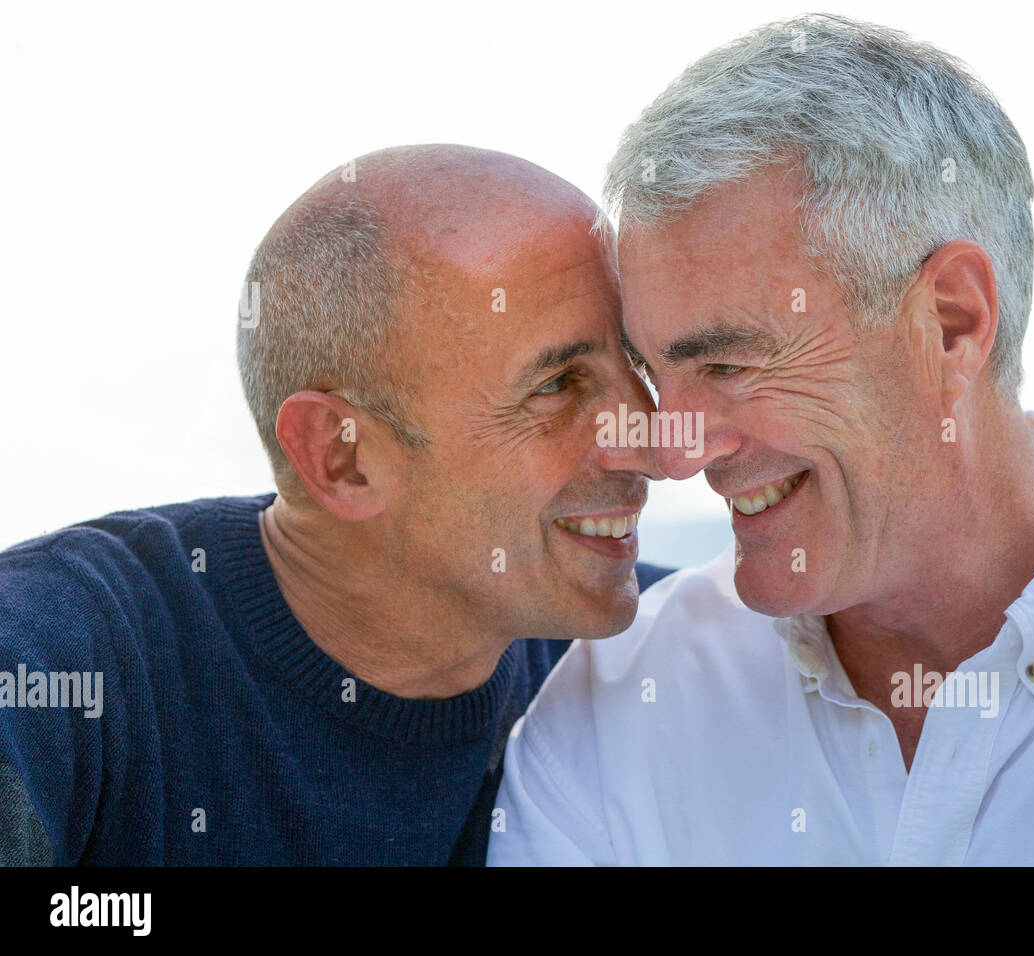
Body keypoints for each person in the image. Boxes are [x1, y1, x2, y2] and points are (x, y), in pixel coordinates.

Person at [488, 16, 1034, 865]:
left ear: (952, 322)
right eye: (658, 377)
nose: (674, 452)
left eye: (727, 363)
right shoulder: (623, 699)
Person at [0, 145, 669, 864]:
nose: (653, 440)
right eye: (558, 384)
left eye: (636, 362)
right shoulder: (52, 660)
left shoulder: (695, 652)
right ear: (340, 458)